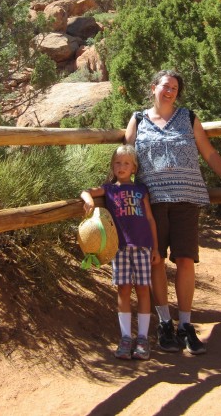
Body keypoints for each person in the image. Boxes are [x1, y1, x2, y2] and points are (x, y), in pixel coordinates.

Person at [125, 69, 221, 355]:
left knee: (185, 260)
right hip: (150, 202)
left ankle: (186, 325)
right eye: (166, 86)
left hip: (186, 198)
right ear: (153, 87)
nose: (170, 92)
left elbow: (209, 152)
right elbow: (126, 156)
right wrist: (115, 190)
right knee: (156, 262)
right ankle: (165, 323)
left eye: (175, 88)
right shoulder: (138, 119)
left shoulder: (188, 118)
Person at [80, 144, 160, 361]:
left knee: (143, 289)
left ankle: (142, 338)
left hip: (143, 246)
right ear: (112, 166)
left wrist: (156, 248)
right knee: (123, 289)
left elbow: (150, 219)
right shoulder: (109, 189)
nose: (121, 166)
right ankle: (126, 337)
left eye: (126, 163)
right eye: (117, 163)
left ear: (134, 168)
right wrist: (88, 200)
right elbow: (86, 191)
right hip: (120, 248)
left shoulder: (141, 190)